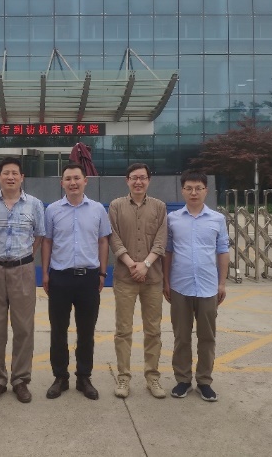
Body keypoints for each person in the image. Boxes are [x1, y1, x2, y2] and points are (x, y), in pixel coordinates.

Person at [0, 157, 45, 404]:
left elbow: (39, 236)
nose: (10, 177)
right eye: (6, 173)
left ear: (22, 177)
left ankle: (21, 380)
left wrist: (25, 256)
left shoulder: (34, 204)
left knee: (24, 328)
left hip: (23, 270)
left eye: (15, 173)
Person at [42, 163, 111, 400]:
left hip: (88, 277)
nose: (73, 182)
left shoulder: (97, 209)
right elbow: (47, 242)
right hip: (60, 277)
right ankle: (60, 377)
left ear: (85, 181)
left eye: (77, 178)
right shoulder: (52, 210)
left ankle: (84, 377)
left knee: (86, 331)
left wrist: (102, 273)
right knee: (58, 331)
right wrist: (45, 273)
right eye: (68, 179)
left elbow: (103, 241)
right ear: (62, 183)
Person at [163, 170, 229, 402]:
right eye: (189, 188)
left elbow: (223, 251)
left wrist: (222, 283)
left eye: (198, 188)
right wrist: (166, 281)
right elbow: (168, 252)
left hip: (208, 286)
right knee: (181, 337)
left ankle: (204, 381)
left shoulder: (217, 219)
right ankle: (182, 379)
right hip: (180, 286)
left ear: (206, 191)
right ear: (182, 191)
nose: (193, 193)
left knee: (207, 337)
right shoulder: (172, 219)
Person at [108, 163, 168, 399]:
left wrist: (146, 264)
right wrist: (132, 263)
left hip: (152, 279)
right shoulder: (116, 206)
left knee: (153, 330)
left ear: (149, 180)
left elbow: (161, 240)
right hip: (125, 278)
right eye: (134, 178)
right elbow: (114, 238)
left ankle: (152, 377)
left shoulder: (159, 207)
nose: (138, 182)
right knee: (123, 330)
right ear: (127, 180)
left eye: (143, 178)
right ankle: (123, 377)